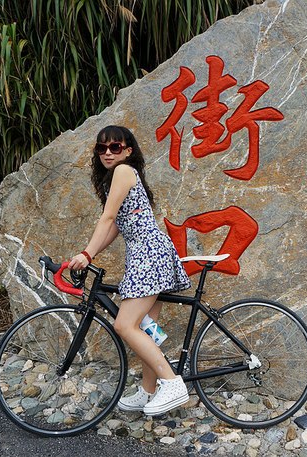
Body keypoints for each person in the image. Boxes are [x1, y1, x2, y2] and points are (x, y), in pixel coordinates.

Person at [68, 125, 191, 416]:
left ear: (128, 151)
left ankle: (172, 383)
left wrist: (86, 254)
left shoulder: (123, 171)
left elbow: (108, 217)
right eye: (102, 148)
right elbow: (115, 226)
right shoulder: (115, 178)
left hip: (148, 254)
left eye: (115, 147)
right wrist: (91, 252)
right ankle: (149, 391)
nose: (108, 153)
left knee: (124, 325)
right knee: (146, 329)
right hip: (145, 253)